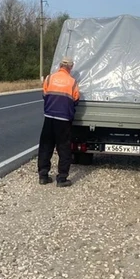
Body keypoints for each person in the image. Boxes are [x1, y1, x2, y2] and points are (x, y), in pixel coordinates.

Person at [39, 56, 80, 187]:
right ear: (70, 67)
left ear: (60, 66)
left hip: (49, 117)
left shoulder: (49, 78)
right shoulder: (72, 82)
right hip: (64, 120)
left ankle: (43, 176)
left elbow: (44, 95)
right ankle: (62, 178)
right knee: (64, 149)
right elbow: (76, 100)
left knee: (46, 146)